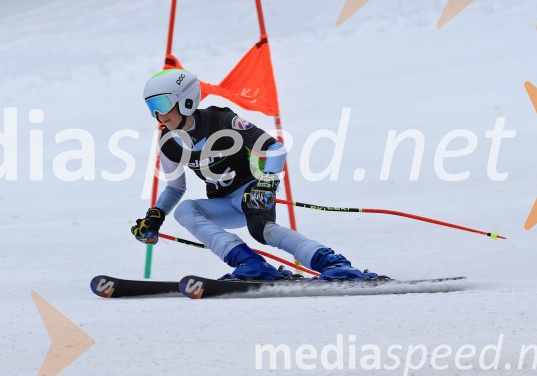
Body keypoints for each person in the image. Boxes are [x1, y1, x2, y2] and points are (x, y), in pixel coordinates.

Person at [131, 68, 384, 281]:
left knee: (262, 230)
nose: (159, 114)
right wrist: (155, 216)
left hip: (252, 190)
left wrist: (267, 184)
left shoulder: (222, 120)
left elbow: (276, 149)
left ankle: (332, 263)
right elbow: (175, 188)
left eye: (162, 104)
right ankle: (250, 264)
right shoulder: (167, 142)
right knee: (185, 210)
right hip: (223, 203)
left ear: (185, 99)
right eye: (152, 107)